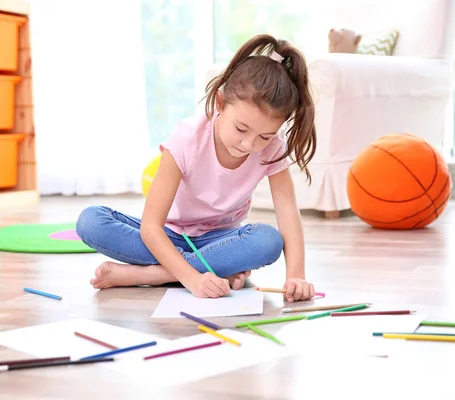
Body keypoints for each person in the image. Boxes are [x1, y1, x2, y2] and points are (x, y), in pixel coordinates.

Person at [76, 33, 318, 302]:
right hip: (168, 237)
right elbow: (151, 228)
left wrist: (296, 275)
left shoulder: (273, 148)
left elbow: (288, 216)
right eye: (241, 128)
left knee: (267, 241)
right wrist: (192, 279)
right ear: (220, 103)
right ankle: (211, 269)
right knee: (91, 221)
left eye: (265, 136)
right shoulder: (186, 139)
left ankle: (150, 275)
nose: (249, 144)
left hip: (221, 242)